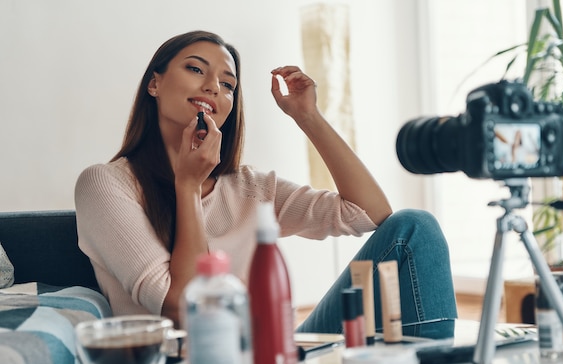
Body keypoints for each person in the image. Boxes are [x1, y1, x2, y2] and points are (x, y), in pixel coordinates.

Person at [75, 30, 457, 335]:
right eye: (195, 69)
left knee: (414, 229)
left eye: (228, 85)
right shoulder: (105, 185)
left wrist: (309, 117)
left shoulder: (249, 186)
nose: (213, 87)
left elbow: (369, 215)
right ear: (154, 84)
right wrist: (188, 186)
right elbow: (186, 309)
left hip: (275, 353)